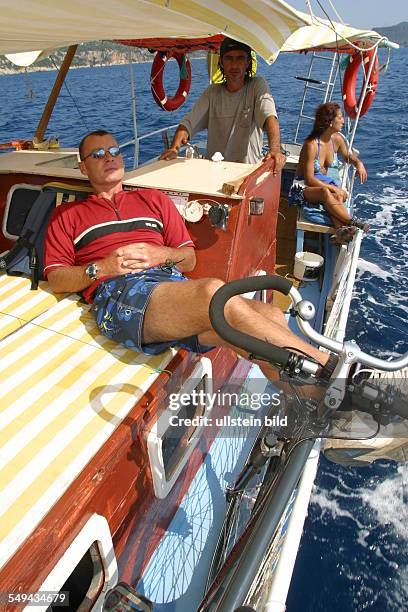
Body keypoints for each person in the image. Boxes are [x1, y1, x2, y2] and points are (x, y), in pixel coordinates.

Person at [44, 129, 337, 383]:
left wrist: (162, 254)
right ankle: (330, 368)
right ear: (83, 168)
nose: (109, 157)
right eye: (97, 154)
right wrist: (102, 268)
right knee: (212, 292)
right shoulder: (68, 215)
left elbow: (189, 259)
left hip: (167, 283)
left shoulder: (153, 199)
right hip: (119, 291)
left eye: (113, 151)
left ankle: (314, 401)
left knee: (270, 316)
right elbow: (56, 278)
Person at [159, 37, 286, 173]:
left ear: (248, 62)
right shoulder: (212, 92)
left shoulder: (257, 86)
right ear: (221, 62)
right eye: (229, 58)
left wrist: (274, 150)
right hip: (215, 172)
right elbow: (188, 123)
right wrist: (174, 148)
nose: (234, 65)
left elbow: (269, 118)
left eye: (240, 58)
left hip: (246, 172)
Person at [289, 102, 368, 243]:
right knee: (327, 193)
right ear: (330, 121)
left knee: (335, 196)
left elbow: (347, 156)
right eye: (340, 117)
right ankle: (353, 222)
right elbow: (309, 179)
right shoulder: (311, 145)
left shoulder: (337, 139)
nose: (343, 120)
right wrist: (334, 188)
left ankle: (339, 231)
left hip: (322, 184)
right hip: (303, 187)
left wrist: (358, 163)